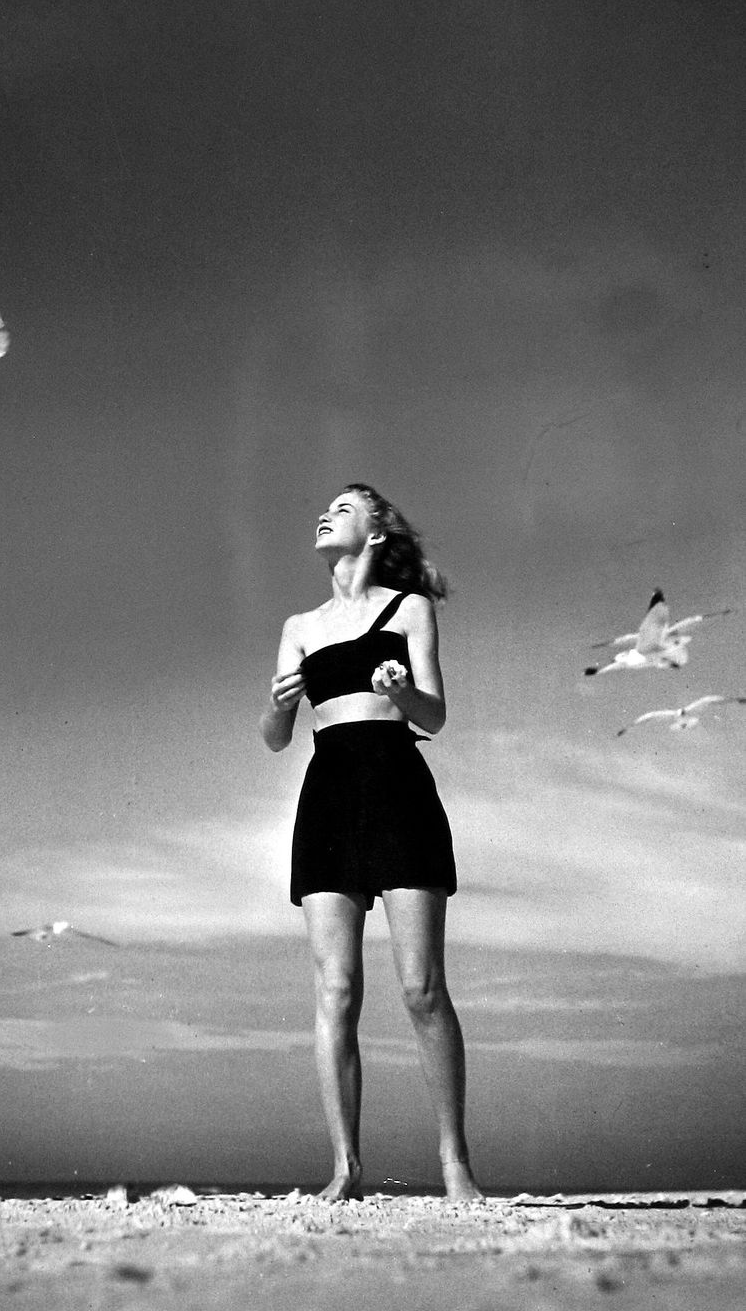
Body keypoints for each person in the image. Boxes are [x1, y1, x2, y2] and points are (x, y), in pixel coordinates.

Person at [260, 484, 481, 1203]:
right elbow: (273, 738)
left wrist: (401, 691)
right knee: (336, 989)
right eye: (321, 506)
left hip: (396, 784)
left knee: (420, 988)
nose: (325, 512)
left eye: (345, 507)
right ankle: (345, 1168)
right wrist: (278, 703)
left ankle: (453, 1166)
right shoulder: (297, 624)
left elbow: (435, 714)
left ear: (377, 532)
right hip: (326, 795)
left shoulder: (408, 609)